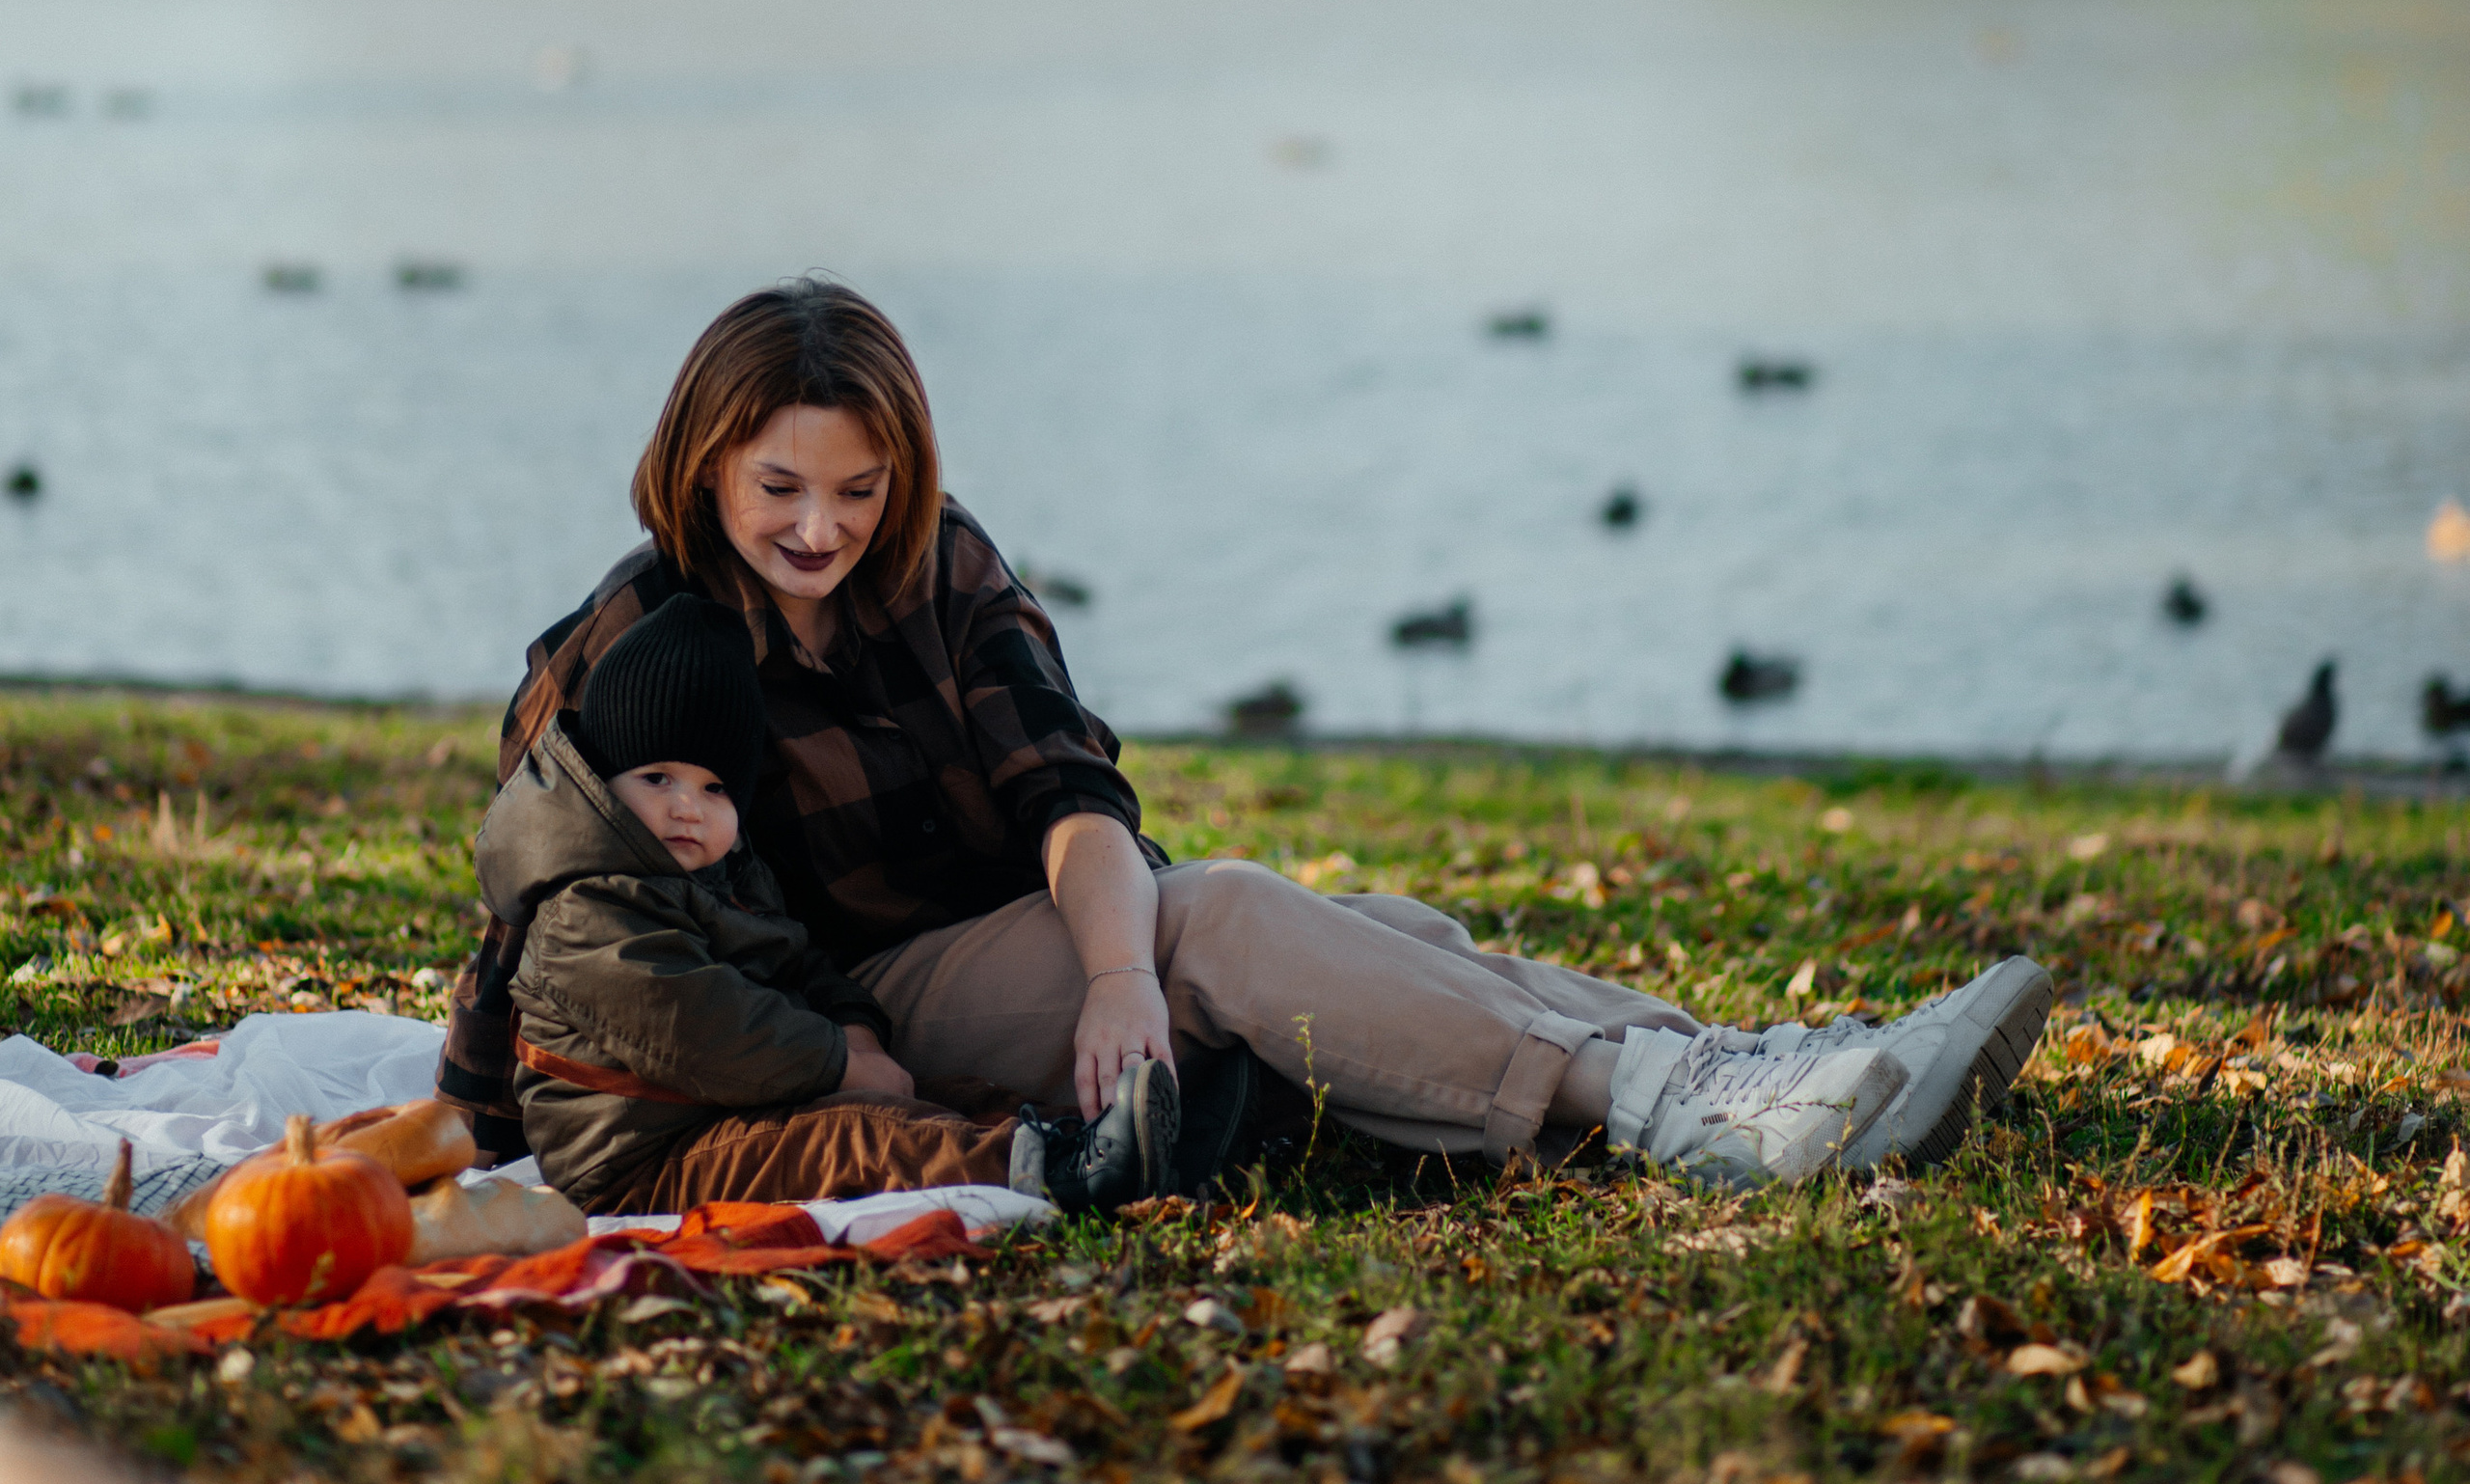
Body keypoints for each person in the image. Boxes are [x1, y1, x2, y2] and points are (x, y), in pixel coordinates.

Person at [441, 280, 2051, 1194]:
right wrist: (477, 1105)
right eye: (780, 488)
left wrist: (1122, 968)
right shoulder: (636, 642)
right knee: (1222, 919)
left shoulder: (940, 564)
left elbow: (1071, 793)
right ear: (704, 461)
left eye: (857, 491)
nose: (822, 527)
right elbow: (549, 897)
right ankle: (1677, 1107)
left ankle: (1759, 1072)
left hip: (1034, 930)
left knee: (1364, 937)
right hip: (858, 994)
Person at [479, 591, 1180, 1217]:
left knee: (941, 1095)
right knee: (858, 1141)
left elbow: (796, 960)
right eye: (657, 777)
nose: (686, 807)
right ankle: (1046, 1173)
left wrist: (856, 1025)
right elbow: (703, 1029)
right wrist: (840, 1064)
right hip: (638, 1158)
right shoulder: (586, 905)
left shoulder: (725, 876)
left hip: (735, 1110)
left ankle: (1086, 1135)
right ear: (605, 782)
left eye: (715, 788)